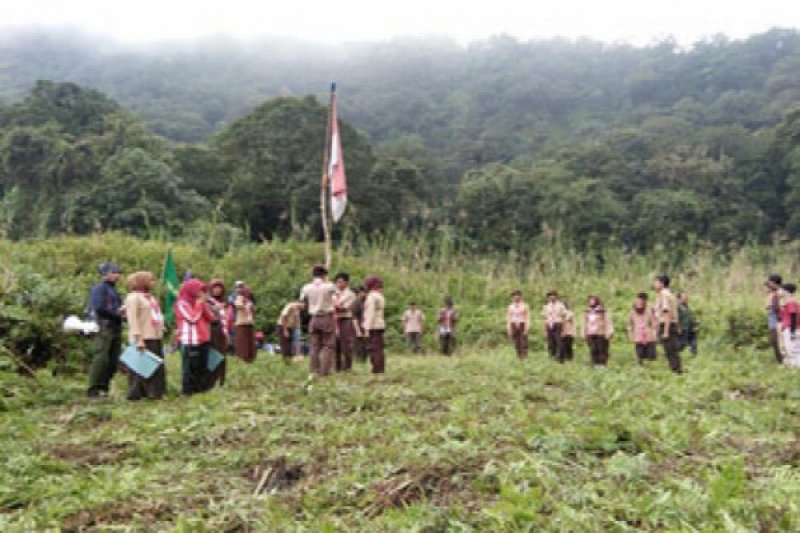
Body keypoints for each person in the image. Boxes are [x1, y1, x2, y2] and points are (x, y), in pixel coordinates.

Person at [123, 271, 166, 400]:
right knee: (139, 367)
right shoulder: (133, 297)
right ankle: (137, 393)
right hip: (143, 335)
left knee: (154, 366)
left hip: (154, 335)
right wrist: (138, 338)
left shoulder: (150, 297)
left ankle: (154, 392)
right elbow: (133, 319)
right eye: (150, 280)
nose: (153, 283)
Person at [86, 262, 123, 398]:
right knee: (101, 358)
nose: (116, 275)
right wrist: (117, 315)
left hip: (115, 327)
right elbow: (99, 308)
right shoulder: (99, 289)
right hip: (103, 327)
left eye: (117, 272)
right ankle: (94, 388)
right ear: (104, 274)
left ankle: (104, 387)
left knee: (113, 360)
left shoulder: (114, 290)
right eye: (112, 272)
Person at [175, 279, 215, 395]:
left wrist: (205, 305)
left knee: (202, 366)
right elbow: (192, 318)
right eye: (199, 290)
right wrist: (199, 304)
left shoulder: (199, 303)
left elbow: (210, 318)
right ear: (191, 290)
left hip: (203, 338)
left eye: (203, 290)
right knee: (190, 367)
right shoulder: (181, 303)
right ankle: (188, 391)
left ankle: (201, 389)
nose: (202, 292)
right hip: (190, 340)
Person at [300, 265, 337, 376]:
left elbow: (303, 304)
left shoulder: (306, 287)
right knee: (328, 345)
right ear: (324, 275)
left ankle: (314, 370)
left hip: (314, 318)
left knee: (314, 345)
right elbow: (337, 298)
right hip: (326, 317)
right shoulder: (329, 286)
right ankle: (324, 371)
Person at [654, 274, 682, 374]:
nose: (654, 284)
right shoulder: (670, 294)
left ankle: (676, 372)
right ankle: (677, 370)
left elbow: (667, 312)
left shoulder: (663, 294)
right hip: (672, 324)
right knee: (672, 350)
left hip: (667, 325)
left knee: (670, 350)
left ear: (661, 283)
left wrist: (665, 331)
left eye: (656, 282)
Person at [582, 295, 614, 367]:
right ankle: (595, 363)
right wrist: (583, 333)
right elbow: (584, 323)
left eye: (593, 300)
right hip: (590, 333)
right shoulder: (587, 311)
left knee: (601, 349)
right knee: (593, 349)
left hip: (600, 333)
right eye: (590, 300)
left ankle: (602, 364)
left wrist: (609, 332)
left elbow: (608, 321)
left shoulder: (602, 311)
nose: (591, 302)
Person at [207, 279, 228, 386]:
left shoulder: (222, 302)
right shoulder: (208, 301)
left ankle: (221, 379)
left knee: (222, 354)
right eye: (215, 288)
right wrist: (216, 309)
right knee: (213, 355)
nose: (217, 290)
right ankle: (211, 380)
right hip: (212, 330)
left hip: (221, 331)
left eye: (219, 288)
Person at [334, 272, 357, 371]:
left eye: (341, 282)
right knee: (335, 344)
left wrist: (336, 307)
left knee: (346, 344)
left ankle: (347, 366)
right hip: (334, 320)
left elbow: (346, 308)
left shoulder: (351, 294)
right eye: (337, 282)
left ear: (346, 283)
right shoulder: (333, 293)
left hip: (345, 319)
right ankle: (336, 366)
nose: (339, 284)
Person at [363, 276, 386, 373]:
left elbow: (370, 313)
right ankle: (381, 368)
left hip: (373, 326)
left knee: (373, 349)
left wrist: (366, 329)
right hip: (380, 324)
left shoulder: (371, 297)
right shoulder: (380, 296)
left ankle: (376, 369)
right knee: (379, 349)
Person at [627, 292, 657, 364]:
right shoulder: (632, 313)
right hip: (638, 337)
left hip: (649, 337)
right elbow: (629, 325)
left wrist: (654, 333)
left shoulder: (648, 311)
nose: (639, 305)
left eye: (641, 304)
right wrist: (631, 335)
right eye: (638, 304)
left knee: (651, 357)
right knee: (640, 356)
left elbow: (654, 323)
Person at [234, 285, 257, 363]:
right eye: (247, 291)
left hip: (250, 323)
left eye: (250, 291)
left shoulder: (251, 301)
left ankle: (250, 358)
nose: (249, 292)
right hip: (242, 323)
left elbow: (254, 310)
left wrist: (251, 307)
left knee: (250, 342)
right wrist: (245, 306)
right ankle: (243, 359)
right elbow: (237, 305)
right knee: (243, 342)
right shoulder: (240, 297)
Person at [765, 274, 784, 363]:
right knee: (774, 341)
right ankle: (780, 361)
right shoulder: (773, 293)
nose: (768, 285)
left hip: (778, 321)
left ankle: (782, 361)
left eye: (770, 282)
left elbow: (780, 308)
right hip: (773, 321)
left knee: (778, 342)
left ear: (774, 283)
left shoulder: (780, 293)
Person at [506, 290, 530, 359]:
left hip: (522, 324)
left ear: (520, 297)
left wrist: (527, 328)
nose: (516, 297)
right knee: (516, 342)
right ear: (512, 297)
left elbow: (527, 317)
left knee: (523, 342)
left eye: (517, 295)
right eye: (514, 296)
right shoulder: (510, 307)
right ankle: (519, 356)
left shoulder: (525, 306)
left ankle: (525, 357)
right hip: (513, 325)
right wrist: (509, 329)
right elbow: (508, 318)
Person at [780, 283, 800, 367]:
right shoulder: (789, 302)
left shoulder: (791, 302)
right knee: (791, 349)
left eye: (782, 290)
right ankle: (794, 366)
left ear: (787, 292)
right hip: (789, 328)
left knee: (792, 349)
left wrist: (792, 332)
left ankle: (796, 366)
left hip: (790, 329)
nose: (781, 292)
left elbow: (793, 316)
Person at [542, 291, 567, 359]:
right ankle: (552, 356)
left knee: (558, 341)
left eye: (553, 295)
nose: (551, 297)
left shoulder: (561, 305)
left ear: (556, 296)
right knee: (550, 342)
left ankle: (560, 357)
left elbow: (564, 317)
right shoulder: (546, 306)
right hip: (549, 324)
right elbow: (545, 318)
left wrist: (564, 328)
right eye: (550, 295)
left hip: (558, 323)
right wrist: (544, 330)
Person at [678, 291, 699, 357]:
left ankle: (694, 356)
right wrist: (678, 327)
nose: (685, 299)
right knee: (683, 344)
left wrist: (695, 321)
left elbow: (691, 316)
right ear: (679, 298)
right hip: (683, 329)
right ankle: (672, 353)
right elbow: (674, 318)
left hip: (691, 328)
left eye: (686, 297)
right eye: (683, 297)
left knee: (694, 343)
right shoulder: (676, 307)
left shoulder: (687, 307)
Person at [351, 286, 368, 363]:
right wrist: (357, 331)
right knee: (358, 347)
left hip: (365, 327)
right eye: (364, 292)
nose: (365, 294)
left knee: (365, 347)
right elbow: (354, 318)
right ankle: (358, 362)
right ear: (360, 292)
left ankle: (363, 361)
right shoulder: (355, 303)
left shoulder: (365, 302)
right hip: (357, 328)